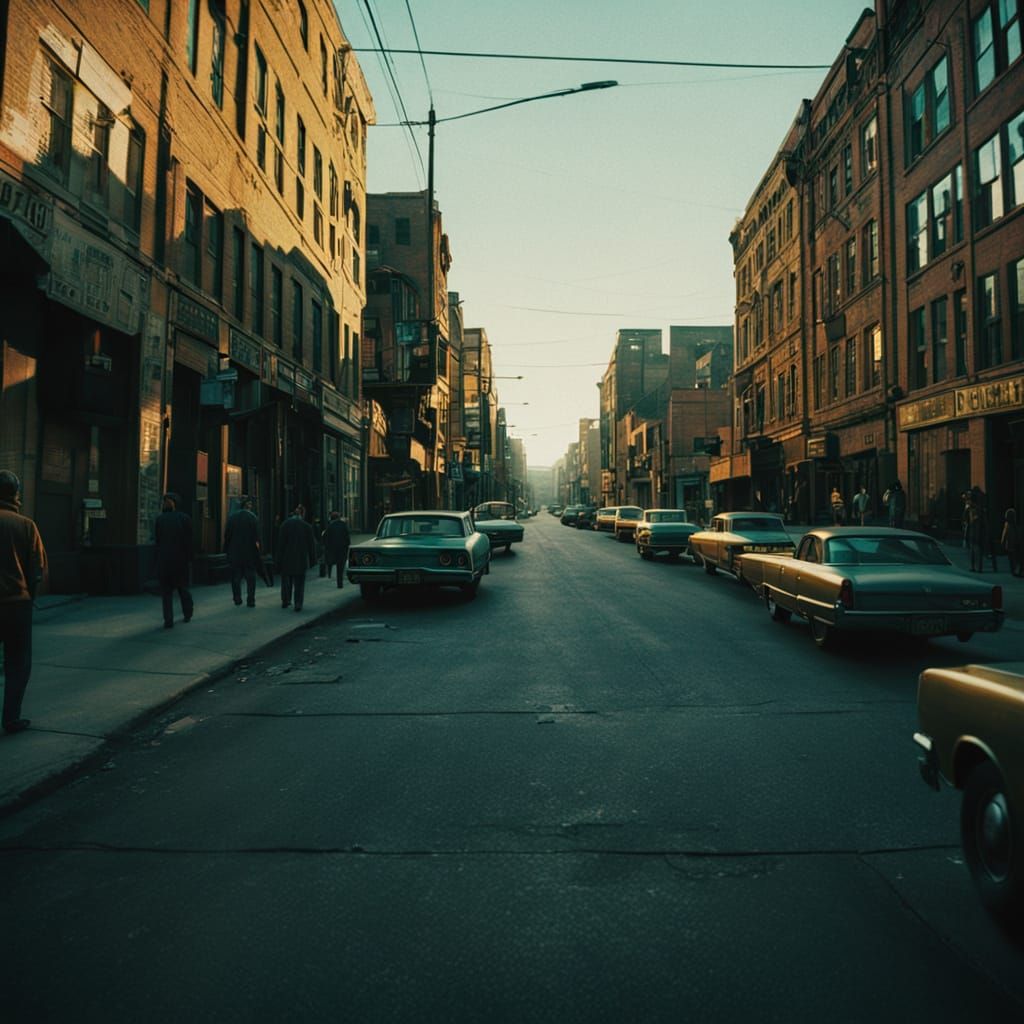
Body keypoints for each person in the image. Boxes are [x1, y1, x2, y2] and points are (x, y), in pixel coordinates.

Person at [0, 471, 47, 735]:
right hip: (17, 604)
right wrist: (32, 597)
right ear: (15, 494)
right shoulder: (26, 526)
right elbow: (37, 569)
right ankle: (11, 717)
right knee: (18, 662)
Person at [155, 492, 194, 628]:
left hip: (165, 560)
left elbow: (158, 541)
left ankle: (168, 619)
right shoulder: (185, 518)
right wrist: (190, 558)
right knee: (183, 588)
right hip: (180, 560)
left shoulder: (160, 519)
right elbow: (189, 541)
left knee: (166, 592)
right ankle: (187, 613)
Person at [277, 504, 317, 611]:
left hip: (286, 558)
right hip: (301, 558)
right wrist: (313, 560)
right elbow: (311, 545)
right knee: (299, 582)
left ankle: (285, 600)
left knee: (286, 580)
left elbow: (280, 545)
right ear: (302, 514)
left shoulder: (285, 525)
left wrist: (278, 559)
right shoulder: (307, 527)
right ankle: (298, 603)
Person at [224, 498, 261, 607]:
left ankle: (237, 598)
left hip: (235, 552)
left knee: (236, 576)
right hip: (249, 552)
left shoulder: (232, 518)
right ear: (247, 506)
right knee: (251, 577)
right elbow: (257, 537)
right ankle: (251, 599)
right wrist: (258, 552)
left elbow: (227, 536)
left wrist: (227, 550)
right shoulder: (253, 518)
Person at [322, 510, 351, 589]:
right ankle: (340, 583)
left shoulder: (330, 526)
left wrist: (326, 547)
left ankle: (330, 575)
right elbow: (347, 536)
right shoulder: (343, 525)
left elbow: (325, 538)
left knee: (333, 563)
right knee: (340, 566)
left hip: (333, 549)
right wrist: (347, 545)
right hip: (342, 549)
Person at [1001, 508, 1021, 577]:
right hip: (1012, 544)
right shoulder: (1012, 525)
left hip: (1011, 544)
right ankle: (1014, 570)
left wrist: (1003, 541)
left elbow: (1004, 534)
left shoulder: (1009, 525)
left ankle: (1014, 570)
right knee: (1013, 558)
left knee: (1012, 559)